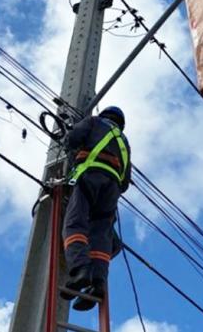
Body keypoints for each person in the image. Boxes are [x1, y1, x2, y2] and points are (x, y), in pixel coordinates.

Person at [61, 106, 131, 311]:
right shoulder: (124, 142)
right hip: (112, 190)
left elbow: (73, 139)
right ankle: (97, 284)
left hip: (89, 176)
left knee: (75, 223)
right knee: (101, 234)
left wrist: (70, 147)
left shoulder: (93, 122)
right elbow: (125, 181)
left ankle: (79, 268)